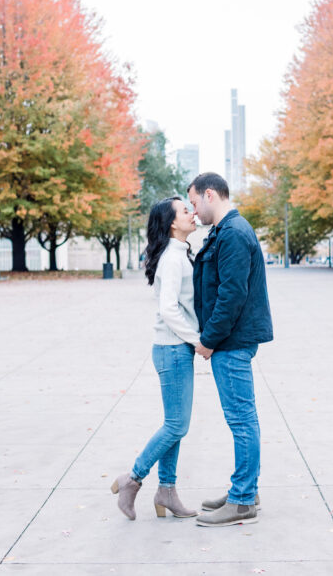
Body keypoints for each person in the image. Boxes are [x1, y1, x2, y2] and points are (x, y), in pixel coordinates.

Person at [187, 172, 273, 528]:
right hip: (231, 340)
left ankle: (241, 501)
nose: (193, 211)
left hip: (231, 341)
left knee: (241, 419)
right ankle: (245, 490)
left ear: (210, 195)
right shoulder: (225, 232)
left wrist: (208, 340)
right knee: (242, 418)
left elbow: (231, 295)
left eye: (193, 203)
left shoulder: (234, 234)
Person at [111, 197, 200, 521]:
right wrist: (198, 340)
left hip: (176, 349)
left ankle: (167, 491)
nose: (192, 213)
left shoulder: (178, 254)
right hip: (173, 348)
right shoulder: (172, 260)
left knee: (176, 426)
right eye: (185, 211)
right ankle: (132, 479)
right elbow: (168, 308)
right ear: (172, 223)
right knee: (176, 425)